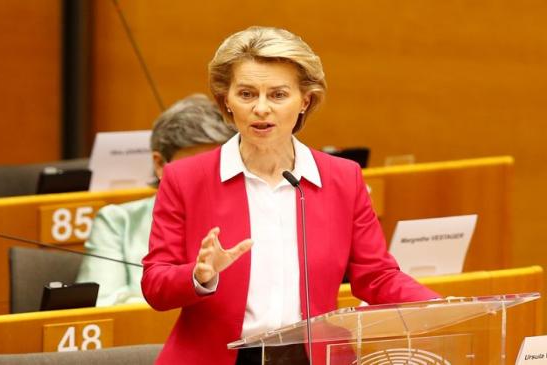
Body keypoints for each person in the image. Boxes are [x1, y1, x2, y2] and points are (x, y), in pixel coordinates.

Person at [141, 26, 439, 365]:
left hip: (312, 357)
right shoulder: (186, 178)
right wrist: (198, 276)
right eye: (247, 94)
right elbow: (155, 284)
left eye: (278, 95)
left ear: (305, 101)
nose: (261, 109)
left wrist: (440, 306)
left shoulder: (342, 178)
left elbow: (376, 275)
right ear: (227, 100)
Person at [75, 94, 236, 306]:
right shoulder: (118, 222)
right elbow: (103, 303)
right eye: (195, 167)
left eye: (218, 165)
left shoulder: (250, 211)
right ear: (160, 164)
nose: (209, 178)